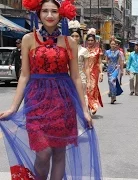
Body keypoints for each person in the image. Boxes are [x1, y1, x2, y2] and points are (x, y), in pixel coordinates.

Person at [0, 0, 102, 179]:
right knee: (43, 152)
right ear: (38, 13)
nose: (49, 15)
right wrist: (13, 108)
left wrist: (85, 110)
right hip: (36, 101)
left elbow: (76, 77)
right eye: (45, 11)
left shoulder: (69, 41)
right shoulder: (28, 39)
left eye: (54, 11)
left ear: (60, 14)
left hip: (62, 101)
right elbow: (24, 75)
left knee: (59, 153)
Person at [69, 20, 90, 107]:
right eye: (72, 36)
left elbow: (87, 67)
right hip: (68, 77)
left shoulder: (84, 50)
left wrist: (88, 81)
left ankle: (84, 114)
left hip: (81, 77)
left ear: (80, 37)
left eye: (77, 36)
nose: (75, 38)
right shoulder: (65, 49)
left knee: (82, 97)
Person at [86, 30, 104, 115]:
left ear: (95, 41)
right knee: (85, 90)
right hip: (84, 73)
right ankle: (89, 106)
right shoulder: (83, 50)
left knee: (92, 89)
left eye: (92, 40)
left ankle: (94, 105)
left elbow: (100, 62)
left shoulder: (98, 50)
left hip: (94, 73)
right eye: (88, 40)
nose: (90, 42)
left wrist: (101, 73)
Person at [105, 38, 123, 104]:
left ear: (116, 45)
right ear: (110, 44)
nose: (113, 45)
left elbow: (120, 61)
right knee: (110, 82)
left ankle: (113, 96)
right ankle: (112, 96)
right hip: (109, 68)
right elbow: (106, 60)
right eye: (112, 44)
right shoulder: (107, 52)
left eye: (114, 44)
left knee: (112, 81)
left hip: (116, 68)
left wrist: (121, 69)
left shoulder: (118, 52)